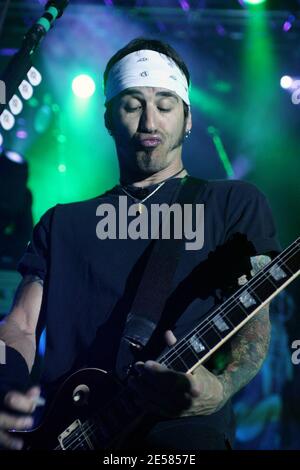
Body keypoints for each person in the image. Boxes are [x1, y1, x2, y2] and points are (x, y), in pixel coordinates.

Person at [0, 37, 281, 451]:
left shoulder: (232, 203)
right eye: (132, 105)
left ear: (188, 119)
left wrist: (216, 390)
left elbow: (255, 324)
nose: (150, 122)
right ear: (109, 119)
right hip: (70, 436)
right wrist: (5, 384)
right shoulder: (62, 223)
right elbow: (21, 326)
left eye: (165, 105)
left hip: (182, 439)